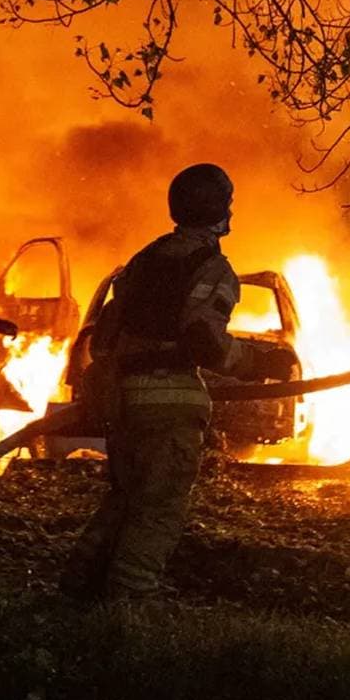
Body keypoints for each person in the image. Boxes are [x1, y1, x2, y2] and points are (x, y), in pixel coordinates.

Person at [61, 163, 296, 604]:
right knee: (158, 511)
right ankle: (129, 604)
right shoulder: (211, 266)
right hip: (167, 408)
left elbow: (107, 329)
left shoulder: (146, 258)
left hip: (125, 403)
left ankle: (78, 590)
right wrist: (259, 362)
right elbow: (204, 338)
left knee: (125, 500)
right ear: (218, 210)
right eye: (226, 204)